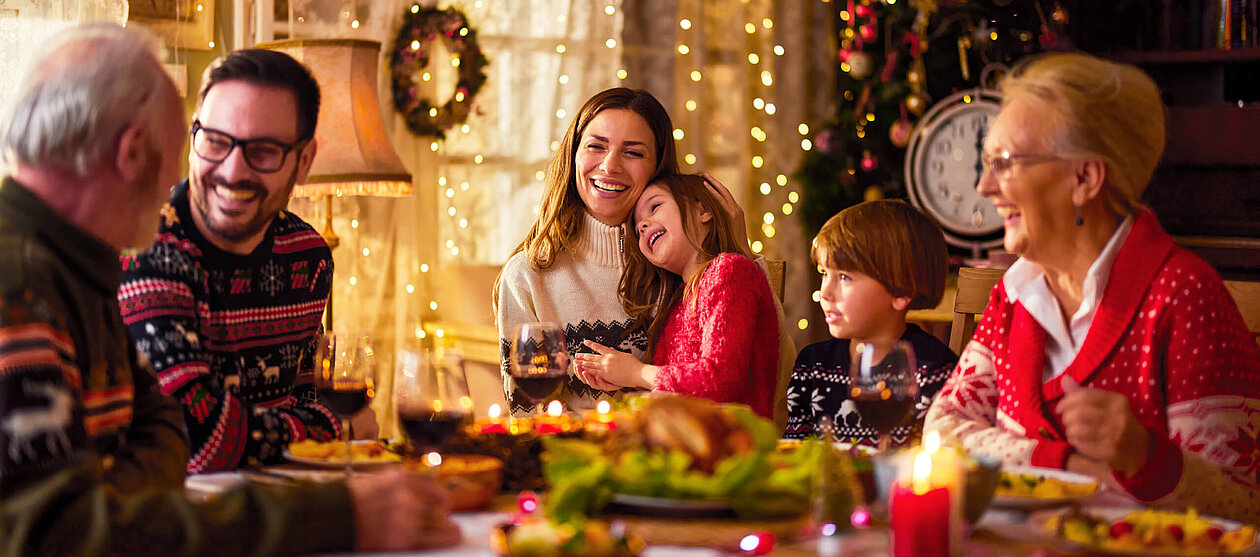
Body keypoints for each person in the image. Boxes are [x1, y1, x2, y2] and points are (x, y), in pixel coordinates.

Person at [0, 23, 457, 554]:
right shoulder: (21, 285)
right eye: (193, 147)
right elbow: (56, 536)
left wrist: (110, 500)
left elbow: (161, 424)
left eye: (262, 150)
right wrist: (336, 516)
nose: (187, 178)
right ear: (132, 153)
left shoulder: (74, 267)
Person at [923, 52, 1260, 522]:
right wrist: (1067, 466)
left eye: (1005, 163)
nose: (984, 186)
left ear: (1084, 178)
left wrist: (1145, 457)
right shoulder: (1014, 297)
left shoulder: (1185, 297)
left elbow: (1242, 505)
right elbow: (942, 430)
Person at [118, 48, 377, 474]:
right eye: (215, 142)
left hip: (291, 500)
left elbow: (309, 396)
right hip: (184, 515)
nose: (232, 171)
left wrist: (315, 424)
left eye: (263, 150)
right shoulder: (148, 248)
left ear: (305, 161)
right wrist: (339, 427)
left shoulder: (309, 255)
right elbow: (197, 440)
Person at [495, 87, 796, 421]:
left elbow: (774, 377)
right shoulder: (528, 274)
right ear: (573, 156)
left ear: (657, 170)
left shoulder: (677, 267)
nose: (609, 165)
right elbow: (527, 412)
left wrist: (739, 250)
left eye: (633, 153)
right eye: (596, 146)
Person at [574, 174, 780, 418]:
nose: (642, 226)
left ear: (703, 210)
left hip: (732, 443)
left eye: (655, 206)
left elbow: (720, 381)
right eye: (638, 228)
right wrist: (621, 379)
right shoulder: (677, 303)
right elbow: (671, 386)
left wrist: (636, 373)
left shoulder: (730, 271)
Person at [782, 200, 956, 446]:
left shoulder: (933, 373)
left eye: (844, 277)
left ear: (901, 291)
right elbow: (795, 453)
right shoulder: (813, 365)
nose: (825, 292)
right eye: (824, 273)